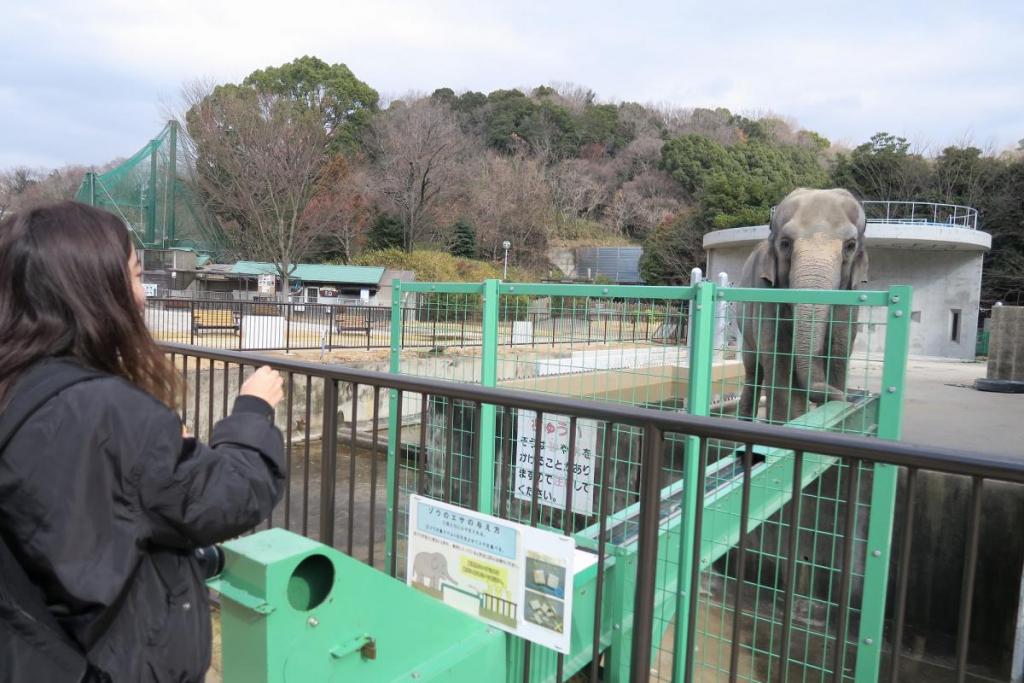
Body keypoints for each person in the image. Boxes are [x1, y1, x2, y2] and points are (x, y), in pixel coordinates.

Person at [0, 201, 285, 682]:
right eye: (133, 275)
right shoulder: (110, 412)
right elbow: (230, 497)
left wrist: (158, 454)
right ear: (91, 291)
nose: (142, 296)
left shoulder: (19, 385)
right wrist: (253, 412)